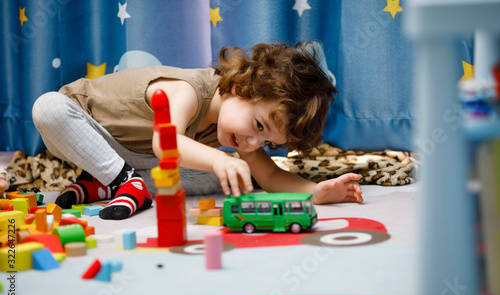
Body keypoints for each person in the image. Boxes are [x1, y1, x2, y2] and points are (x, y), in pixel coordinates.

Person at [32, 41, 363, 220]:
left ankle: (107, 183)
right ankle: (122, 181)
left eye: (267, 142)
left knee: (226, 179)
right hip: (80, 129)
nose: (252, 142)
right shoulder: (188, 91)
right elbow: (166, 143)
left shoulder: (242, 129)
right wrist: (221, 160)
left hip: (129, 158)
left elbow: (271, 178)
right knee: (47, 108)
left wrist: (316, 192)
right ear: (242, 87)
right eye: (259, 126)